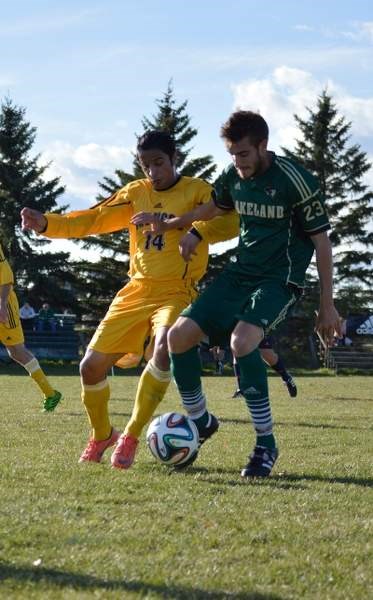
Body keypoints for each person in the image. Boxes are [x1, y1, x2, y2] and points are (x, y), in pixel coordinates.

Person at [132, 111, 341, 478]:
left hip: (279, 278)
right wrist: (173, 225)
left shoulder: (296, 180)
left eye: (244, 154)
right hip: (240, 272)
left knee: (242, 342)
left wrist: (328, 306)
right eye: (232, 154)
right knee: (177, 337)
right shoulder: (233, 175)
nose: (238, 162)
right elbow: (214, 207)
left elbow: (322, 243)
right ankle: (201, 421)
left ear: (263, 146)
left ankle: (265, 444)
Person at [21, 130, 238, 469]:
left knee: (166, 343)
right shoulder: (135, 193)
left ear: (173, 159)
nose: (153, 172)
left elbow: (229, 222)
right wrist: (48, 223)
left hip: (176, 291)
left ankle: (132, 435)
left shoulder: (198, 191)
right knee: (89, 367)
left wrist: (175, 225)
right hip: (135, 291)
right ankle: (102, 434)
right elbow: (95, 218)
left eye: (159, 163)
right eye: (146, 165)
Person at [0, 243, 62, 411]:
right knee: (15, 352)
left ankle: (50, 394)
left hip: (3, 304)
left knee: (17, 351)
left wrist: (2, 305)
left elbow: (6, 280)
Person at [232, 335, 297, 398]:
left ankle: (286, 378)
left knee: (267, 354)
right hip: (240, 328)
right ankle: (241, 390)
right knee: (238, 350)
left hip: (257, 328)